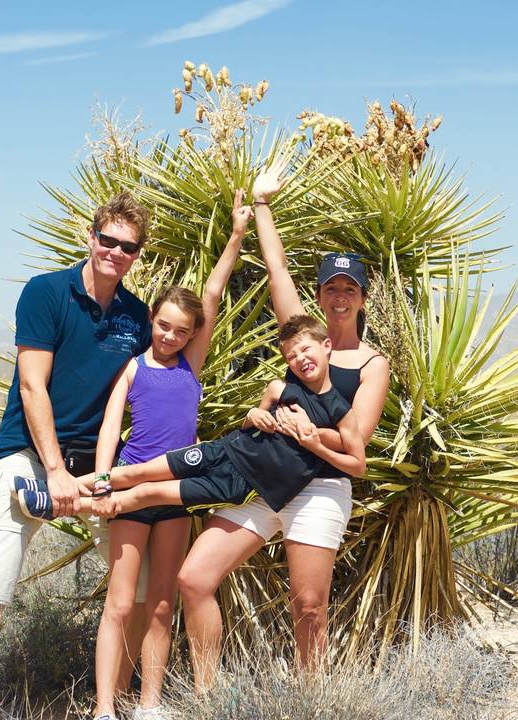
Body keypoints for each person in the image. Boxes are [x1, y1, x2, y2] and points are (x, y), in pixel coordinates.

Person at [172, 155, 391, 692]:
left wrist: (305, 431)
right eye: (331, 288)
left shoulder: (372, 364)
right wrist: (261, 203)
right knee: (194, 578)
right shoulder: (304, 338)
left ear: (363, 299)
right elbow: (278, 271)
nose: (340, 297)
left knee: (309, 606)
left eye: (350, 289)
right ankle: (206, 696)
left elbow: (355, 439)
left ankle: (311, 698)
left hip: (320, 486)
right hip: (264, 476)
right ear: (319, 297)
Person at [0, 193, 152, 718]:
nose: (115, 252)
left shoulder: (137, 317)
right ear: (91, 237)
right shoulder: (46, 293)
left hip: (98, 464)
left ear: (137, 255)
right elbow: (32, 386)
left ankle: (119, 698)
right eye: (107, 240)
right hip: (29, 453)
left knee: (141, 584)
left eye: (128, 247)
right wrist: (56, 471)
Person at [86, 191, 249, 720]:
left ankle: (150, 705)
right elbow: (111, 426)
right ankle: (104, 709)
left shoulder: (190, 365)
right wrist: (103, 479)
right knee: (120, 602)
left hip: (178, 494)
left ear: (193, 334)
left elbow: (213, 291)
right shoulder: (134, 367)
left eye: (182, 331)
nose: (171, 336)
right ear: (151, 319)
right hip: (133, 491)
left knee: (161, 603)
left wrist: (236, 235)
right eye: (163, 325)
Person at [15, 315, 366, 523]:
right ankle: (54, 488)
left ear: (326, 347)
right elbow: (251, 423)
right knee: (137, 472)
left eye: (305, 350)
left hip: (238, 484)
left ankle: (56, 506)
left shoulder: (341, 411)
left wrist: (315, 444)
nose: (300, 359)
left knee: (148, 492)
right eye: (291, 355)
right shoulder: (279, 388)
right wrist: (254, 415)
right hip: (222, 450)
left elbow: (358, 465)